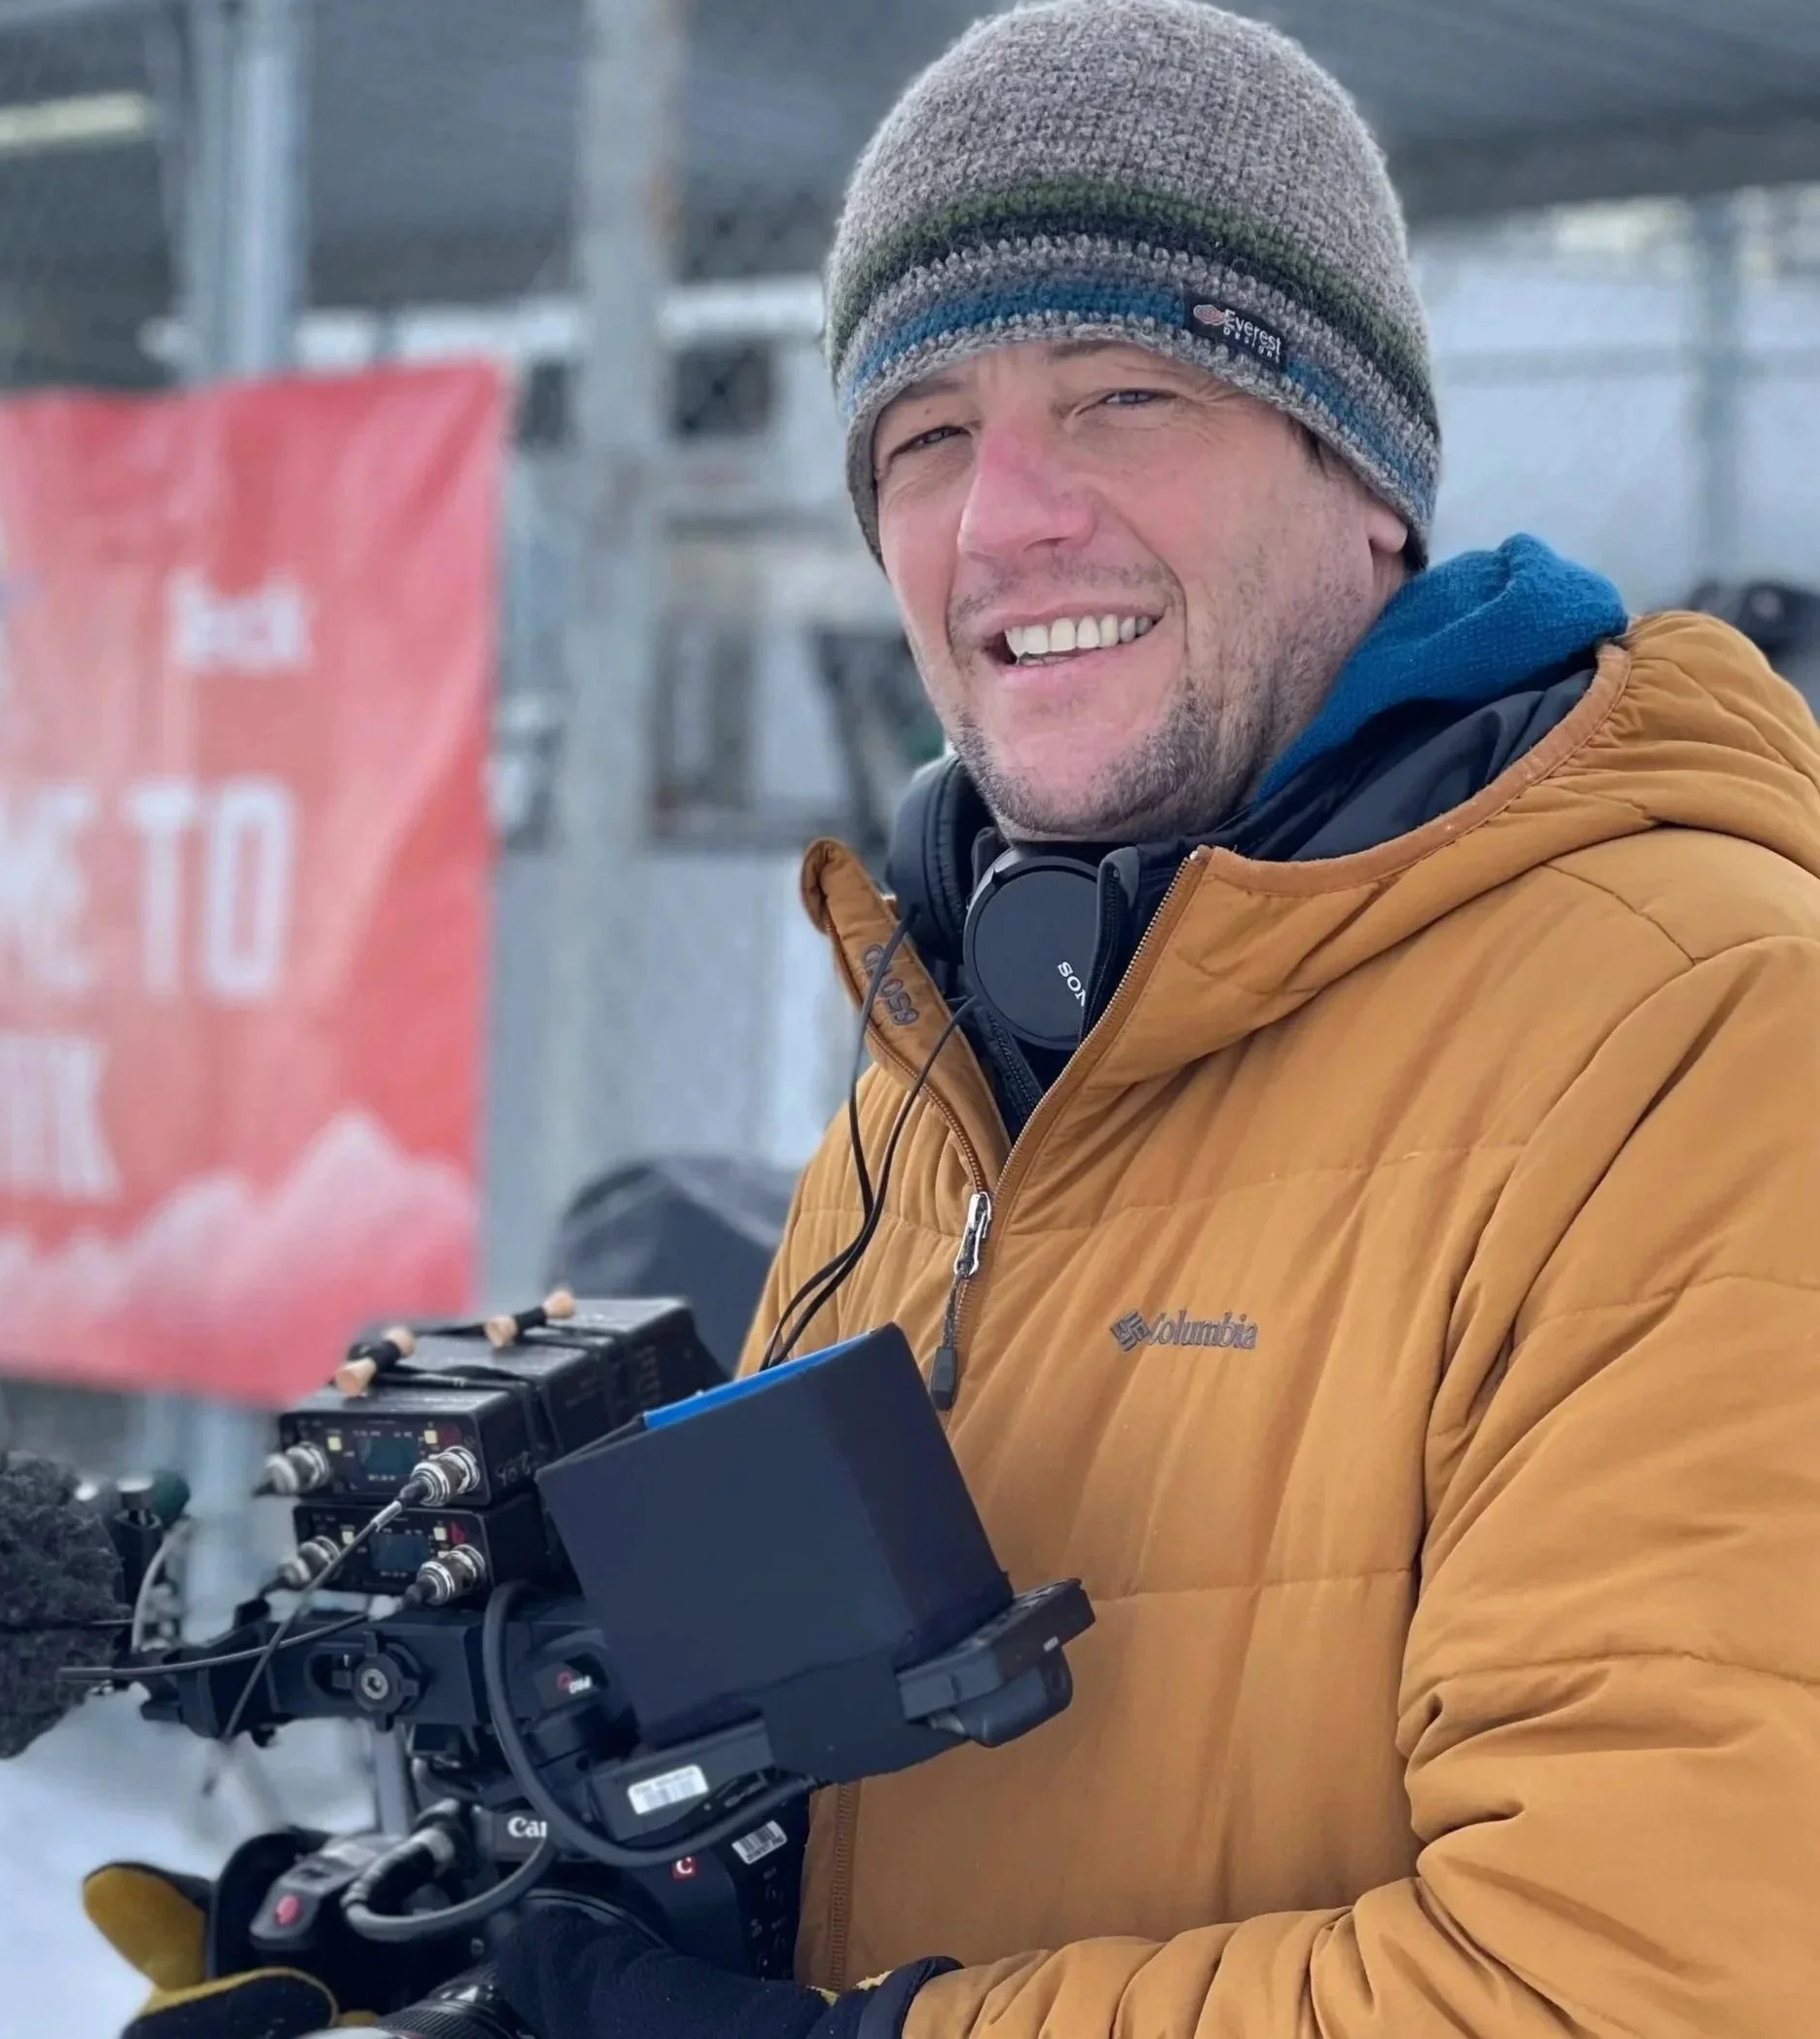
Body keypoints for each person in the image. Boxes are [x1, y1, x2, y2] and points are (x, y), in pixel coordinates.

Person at [496, 2, 1820, 2036]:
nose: (1004, 516)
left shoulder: (1708, 1034)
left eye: (1124, 394)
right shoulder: (963, 1038)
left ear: (1367, 483)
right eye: (924, 433)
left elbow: (1640, 1986)